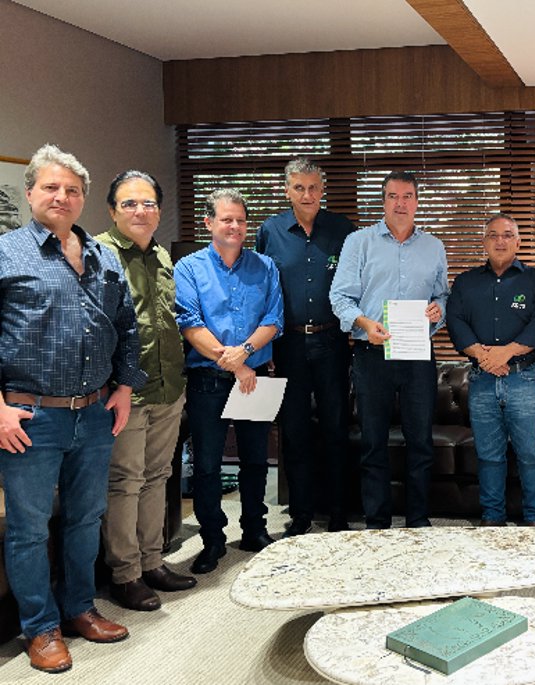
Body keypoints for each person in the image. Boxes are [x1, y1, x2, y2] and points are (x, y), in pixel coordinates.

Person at [0, 144, 146, 673]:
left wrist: (124, 387)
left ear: (83, 198)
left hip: (95, 413)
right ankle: (40, 628)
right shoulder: (7, 253)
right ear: (31, 193)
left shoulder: (103, 256)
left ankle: (80, 608)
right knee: (29, 529)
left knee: (86, 518)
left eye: (73, 190)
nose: (62, 197)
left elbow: (127, 327)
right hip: (30, 416)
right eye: (51, 187)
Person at [97, 171, 196, 612]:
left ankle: (153, 562)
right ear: (113, 210)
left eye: (149, 203)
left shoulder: (161, 256)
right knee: (125, 482)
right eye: (130, 203)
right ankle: (126, 574)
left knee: (158, 476)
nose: (141, 211)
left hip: (168, 387)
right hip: (125, 394)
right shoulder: (99, 255)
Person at [329, 171, 448, 529]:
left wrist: (438, 311)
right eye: (393, 196)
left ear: (417, 201)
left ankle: (418, 520)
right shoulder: (358, 242)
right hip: (372, 355)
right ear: (383, 201)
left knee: (421, 443)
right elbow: (340, 296)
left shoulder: (434, 247)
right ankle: (377, 523)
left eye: (407, 196)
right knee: (373, 443)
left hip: (417, 355)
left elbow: (441, 295)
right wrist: (365, 324)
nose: (400, 203)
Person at [174, 188, 284, 574]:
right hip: (208, 381)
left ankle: (254, 530)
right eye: (226, 219)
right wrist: (236, 365)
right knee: (207, 465)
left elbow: (274, 320)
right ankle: (213, 540)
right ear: (209, 223)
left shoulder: (265, 266)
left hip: (256, 377)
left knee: (256, 461)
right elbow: (190, 324)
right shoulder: (188, 268)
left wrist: (246, 353)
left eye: (240, 219)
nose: (235, 226)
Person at [256, 158, 356, 536]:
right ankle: (300, 514)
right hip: (290, 344)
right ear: (287, 191)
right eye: (299, 187)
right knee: (295, 433)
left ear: (322, 189)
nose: (307, 194)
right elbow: (261, 288)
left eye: (314, 187)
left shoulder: (343, 230)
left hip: (333, 342)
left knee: (336, 430)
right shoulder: (270, 231)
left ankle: (338, 513)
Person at [447, 213, 535, 527]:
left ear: (518, 242)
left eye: (508, 235)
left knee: (530, 453)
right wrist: (481, 356)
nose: (500, 241)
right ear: (484, 242)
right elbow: (455, 321)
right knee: (488, 454)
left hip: (523, 378)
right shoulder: (466, 282)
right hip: (481, 379)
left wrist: (505, 352)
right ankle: (492, 518)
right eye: (493, 235)